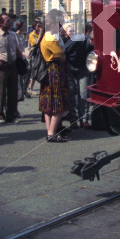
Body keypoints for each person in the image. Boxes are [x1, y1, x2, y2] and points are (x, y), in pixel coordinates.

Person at [39, 10, 71, 142]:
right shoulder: (51, 38)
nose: (61, 25)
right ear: (53, 24)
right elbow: (61, 57)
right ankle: (52, 133)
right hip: (55, 71)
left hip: (49, 71)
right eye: (59, 23)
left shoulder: (46, 36)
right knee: (58, 103)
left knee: (48, 104)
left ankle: (50, 131)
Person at [65, 23, 94, 128]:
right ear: (89, 38)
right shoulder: (77, 39)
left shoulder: (93, 46)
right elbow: (64, 50)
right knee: (71, 92)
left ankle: (84, 119)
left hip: (82, 68)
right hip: (70, 66)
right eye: (93, 41)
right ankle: (73, 120)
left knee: (84, 93)